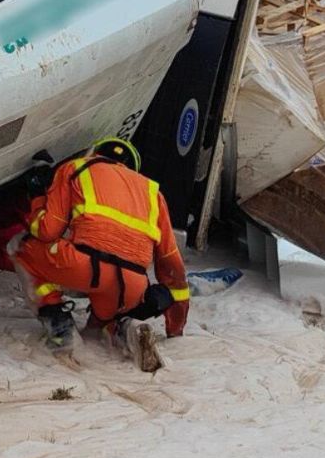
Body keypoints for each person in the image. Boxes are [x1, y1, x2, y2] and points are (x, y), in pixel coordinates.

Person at [11, 137, 191, 371]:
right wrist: (175, 328)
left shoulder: (76, 168)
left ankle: (59, 324)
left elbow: (47, 230)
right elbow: (172, 267)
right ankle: (125, 328)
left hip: (84, 267)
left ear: (96, 153)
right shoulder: (153, 193)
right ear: (132, 168)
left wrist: (37, 198)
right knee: (100, 324)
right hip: (132, 284)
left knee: (22, 246)